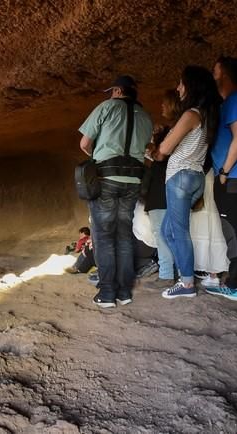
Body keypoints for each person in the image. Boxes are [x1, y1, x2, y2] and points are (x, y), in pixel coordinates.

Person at [78, 75, 153, 308]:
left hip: (107, 179)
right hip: (133, 182)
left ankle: (107, 292)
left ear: (119, 91)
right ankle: (124, 292)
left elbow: (84, 144)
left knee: (103, 236)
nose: (110, 95)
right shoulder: (146, 117)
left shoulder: (106, 107)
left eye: (112, 91)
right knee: (123, 235)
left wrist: (100, 157)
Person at [154, 65, 220, 298]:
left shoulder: (191, 114)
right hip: (195, 177)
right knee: (168, 232)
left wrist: (159, 144)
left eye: (182, 83)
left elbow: (165, 148)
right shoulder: (207, 114)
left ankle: (187, 284)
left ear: (192, 86)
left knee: (178, 233)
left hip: (180, 176)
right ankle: (188, 273)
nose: (178, 87)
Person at [208, 56, 237, 302]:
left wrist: (224, 172)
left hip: (232, 176)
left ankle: (236, 285)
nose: (212, 73)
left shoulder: (235, 99)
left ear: (224, 74)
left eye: (215, 69)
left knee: (235, 232)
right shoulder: (234, 101)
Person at [143, 90, 179, 289]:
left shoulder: (172, 132)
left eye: (165, 104)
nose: (162, 108)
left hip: (161, 192)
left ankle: (166, 275)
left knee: (161, 233)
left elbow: (159, 157)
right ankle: (181, 273)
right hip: (171, 190)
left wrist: (152, 145)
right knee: (173, 233)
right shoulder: (175, 130)